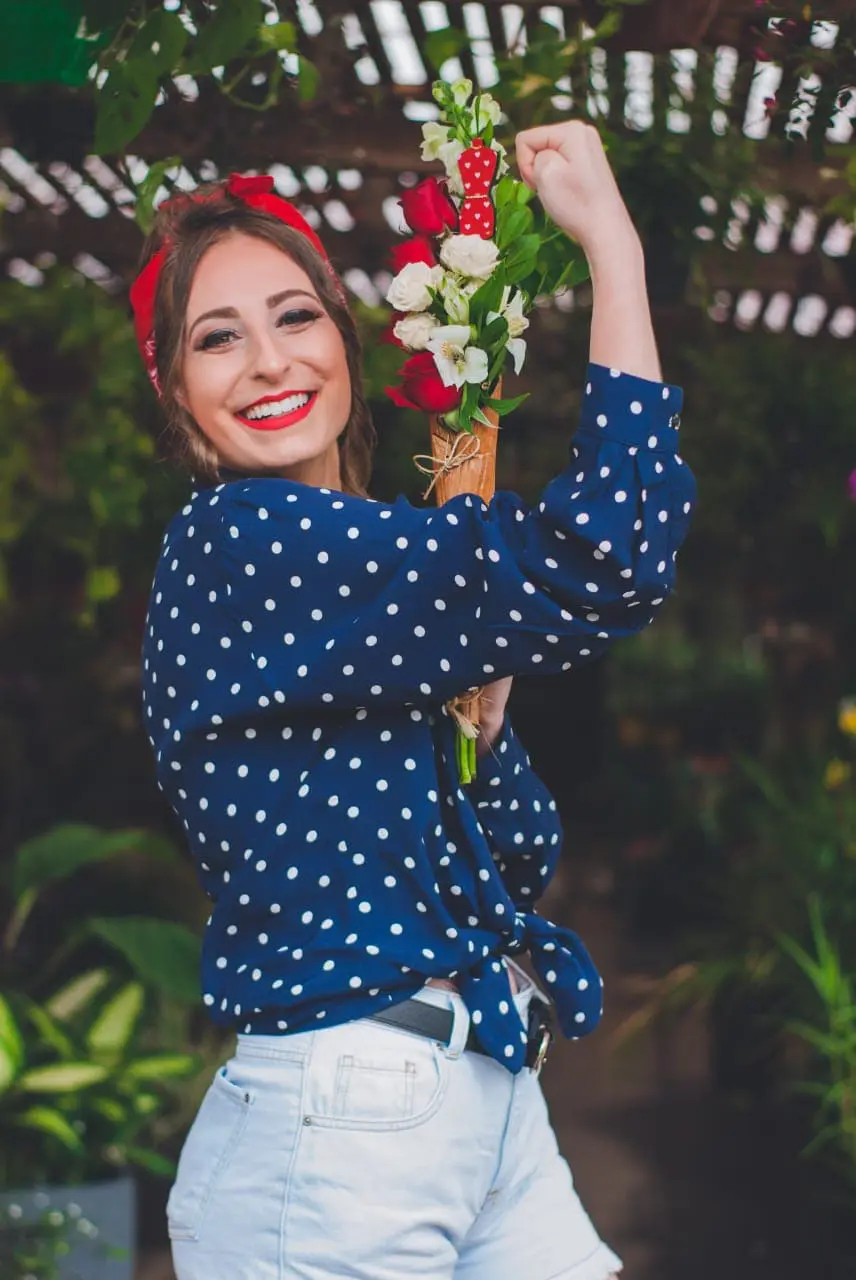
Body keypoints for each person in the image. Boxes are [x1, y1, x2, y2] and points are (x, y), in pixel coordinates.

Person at [136, 120, 695, 1280]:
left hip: (482, 1090)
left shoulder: (367, 586)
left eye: (295, 316)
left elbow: (522, 854)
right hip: (335, 1133)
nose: (269, 361)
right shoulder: (242, 541)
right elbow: (607, 555)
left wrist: (482, 729)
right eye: (216, 339)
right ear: (175, 392)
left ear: (343, 337)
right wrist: (612, 253)